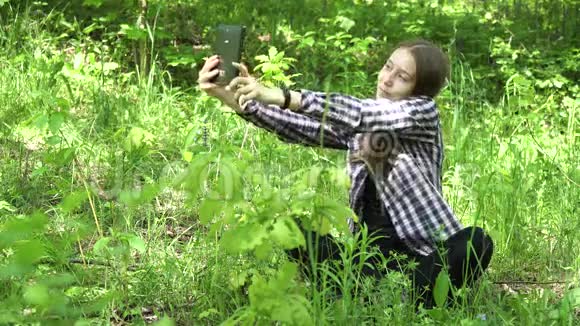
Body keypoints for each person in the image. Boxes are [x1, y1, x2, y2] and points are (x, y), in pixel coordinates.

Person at [197, 39, 493, 308]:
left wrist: (281, 95)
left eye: (402, 77)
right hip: (368, 261)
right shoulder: (362, 127)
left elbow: (363, 113)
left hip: (422, 259)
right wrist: (230, 97)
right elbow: (301, 127)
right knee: (289, 228)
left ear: (419, 90)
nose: (387, 79)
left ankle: (400, 297)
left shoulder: (422, 112)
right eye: (388, 67)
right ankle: (370, 292)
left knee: (476, 241)